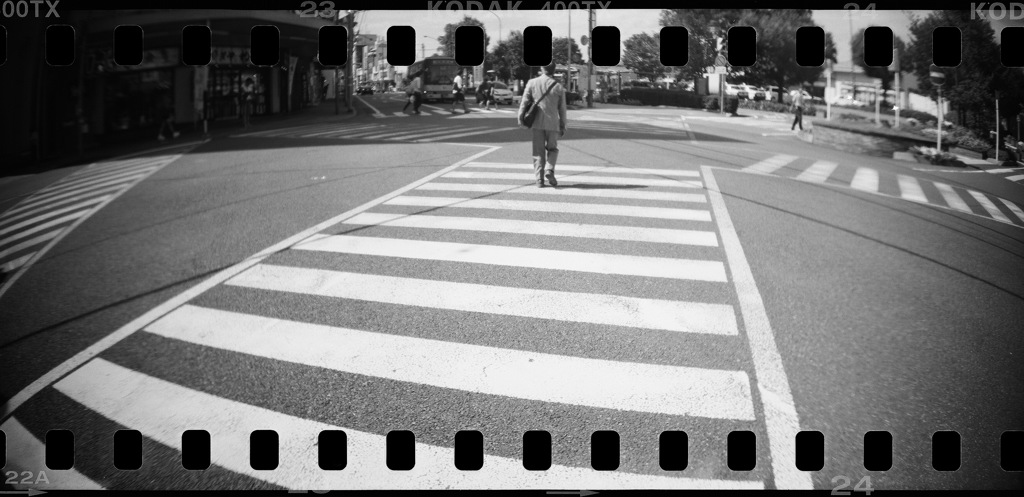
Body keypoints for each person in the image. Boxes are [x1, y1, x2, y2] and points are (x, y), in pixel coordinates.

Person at [518, 62, 567, 188]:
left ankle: (539, 180)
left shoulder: (532, 83)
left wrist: (520, 118)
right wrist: (563, 125)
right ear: (553, 70)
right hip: (553, 123)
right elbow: (562, 109)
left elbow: (524, 103)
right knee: (553, 149)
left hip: (537, 122)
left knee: (538, 152)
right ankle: (549, 170)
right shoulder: (558, 87)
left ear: (542, 68)